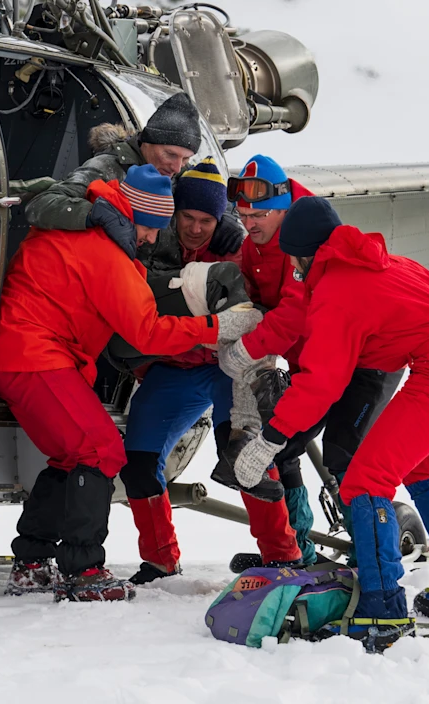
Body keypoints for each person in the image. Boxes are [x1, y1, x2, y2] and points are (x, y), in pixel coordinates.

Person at [227, 197, 429, 652]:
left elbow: (322, 383)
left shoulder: (338, 291)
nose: (293, 268)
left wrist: (272, 437)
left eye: (293, 259)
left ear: (303, 254)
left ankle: (383, 610)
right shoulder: (381, 263)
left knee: (365, 481)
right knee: (419, 468)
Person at [0, 165, 262, 602]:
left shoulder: (77, 232)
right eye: (151, 227)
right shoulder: (104, 252)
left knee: (70, 457)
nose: (154, 238)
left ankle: (33, 563)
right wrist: (216, 326)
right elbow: (147, 332)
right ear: (134, 215)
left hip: (25, 356)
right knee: (101, 451)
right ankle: (83, 571)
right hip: (37, 356)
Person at [119, 159, 301, 585]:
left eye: (206, 220)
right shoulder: (149, 236)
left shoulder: (239, 249)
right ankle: (160, 560)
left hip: (225, 367)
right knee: (139, 463)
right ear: (174, 211)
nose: (196, 228)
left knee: (243, 452)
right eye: (188, 217)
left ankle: (282, 555)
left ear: (220, 219)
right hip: (174, 368)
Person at [218, 155, 401, 569]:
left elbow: (294, 313)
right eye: (244, 215)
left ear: (283, 206)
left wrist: (247, 349)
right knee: (282, 452)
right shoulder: (254, 246)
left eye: (260, 214)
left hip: (363, 366)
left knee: (345, 460)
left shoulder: (306, 243)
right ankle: (298, 554)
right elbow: (250, 298)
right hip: (315, 366)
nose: (250, 223)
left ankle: (378, 562)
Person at [24, 94, 242, 261]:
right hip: (120, 280)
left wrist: (225, 217)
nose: (177, 166)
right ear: (147, 142)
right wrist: (96, 213)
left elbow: (208, 193)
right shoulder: (109, 167)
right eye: (170, 154)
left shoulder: (177, 171)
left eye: (185, 159)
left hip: (161, 277)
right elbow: (41, 205)